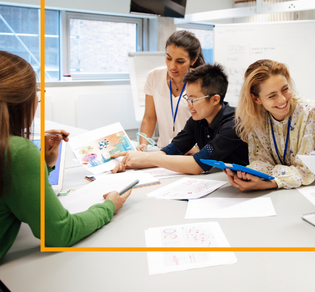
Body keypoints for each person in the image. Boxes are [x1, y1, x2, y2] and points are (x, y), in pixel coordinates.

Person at [0, 51, 130, 260]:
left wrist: (45, 163)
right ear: (20, 101)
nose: (39, 99)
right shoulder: (17, 151)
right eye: (35, 91)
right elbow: (60, 233)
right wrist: (109, 207)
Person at [112, 63, 248, 174]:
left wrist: (146, 157)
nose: (189, 105)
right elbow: (169, 152)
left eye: (193, 100)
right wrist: (129, 161)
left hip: (249, 188)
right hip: (222, 181)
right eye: (187, 98)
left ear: (215, 99)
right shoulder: (198, 120)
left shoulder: (234, 124)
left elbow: (197, 165)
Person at [227, 59, 315, 191]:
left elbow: (306, 172)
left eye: (285, 89)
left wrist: (268, 182)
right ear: (256, 99)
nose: (282, 99)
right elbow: (260, 164)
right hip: (280, 192)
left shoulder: (309, 111)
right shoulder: (256, 118)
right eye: (272, 96)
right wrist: (248, 174)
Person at [139, 30, 205, 150]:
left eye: (180, 61)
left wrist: (199, 148)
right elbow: (149, 118)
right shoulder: (154, 76)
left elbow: (207, 123)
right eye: (169, 58)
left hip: (191, 152)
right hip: (163, 150)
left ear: (193, 60)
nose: (172, 66)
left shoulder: (202, 82)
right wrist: (143, 145)